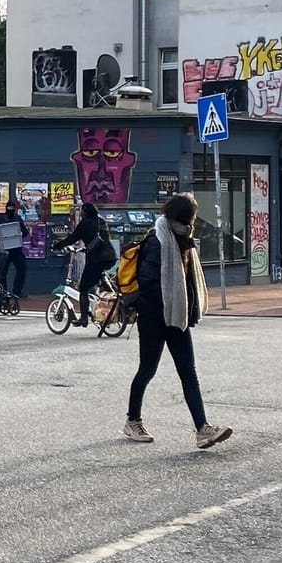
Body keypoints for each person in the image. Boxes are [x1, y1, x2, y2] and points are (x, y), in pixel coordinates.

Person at [124, 193, 232, 450]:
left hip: (176, 316)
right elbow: (150, 283)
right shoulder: (157, 241)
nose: (194, 220)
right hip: (155, 318)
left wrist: (184, 309)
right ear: (183, 217)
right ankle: (132, 420)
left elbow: (184, 281)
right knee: (147, 369)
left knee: (188, 372)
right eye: (192, 215)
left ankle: (202, 429)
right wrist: (166, 311)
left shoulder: (180, 238)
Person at [71, 201, 116, 327]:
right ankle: (117, 299)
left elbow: (93, 238)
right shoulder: (101, 220)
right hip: (110, 257)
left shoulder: (88, 222)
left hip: (97, 258)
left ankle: (84, 318)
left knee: (83, 288)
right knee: (99, 277)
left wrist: (88, 248)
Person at [0, 200, 28, 299]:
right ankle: (3, 292)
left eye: (12, 208)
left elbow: (25, 232)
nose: (10, 210)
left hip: (16, 249)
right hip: (4, 250)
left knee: (22, 269)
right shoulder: (0, 219)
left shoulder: (17, 218)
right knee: (2, 272)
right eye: (9, 208)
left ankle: (17, 291)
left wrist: (21, 234)